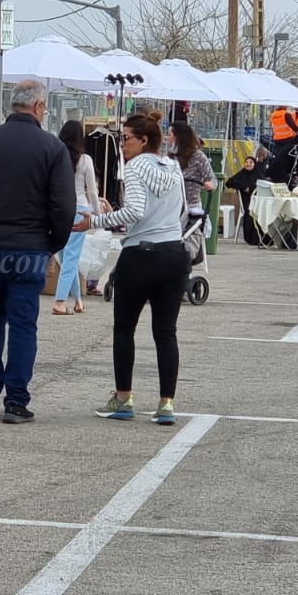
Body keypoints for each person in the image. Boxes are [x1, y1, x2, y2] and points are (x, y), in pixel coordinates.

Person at [0, 80, 74, 424]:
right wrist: (53, 243)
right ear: (37, 107)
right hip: (31, 247)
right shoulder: (52, 148)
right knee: (23, 325)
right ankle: (16, 401)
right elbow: (63, 206)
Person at [75, 114, 188, 426]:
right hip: (173, 251)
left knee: (125, 328)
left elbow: (135, 211)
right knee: (166, 331)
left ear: (144, 141)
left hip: (141, 253)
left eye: (125, 138)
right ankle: (166, 403)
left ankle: (124, 397)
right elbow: (182, 210)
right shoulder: (174, 167)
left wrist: (94, 221)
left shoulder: (136, 167)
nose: (121, 144)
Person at [51, 120, 101, 315]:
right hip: (79, 208)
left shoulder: (56, 157)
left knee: (65, 257)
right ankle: (59, 301)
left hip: (59, 210)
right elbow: (93, 191)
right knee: (71, 257)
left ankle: (78, 300)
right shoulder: (85, 160)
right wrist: (97, 213)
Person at [168, 121, 217, 234]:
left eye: (170, 135)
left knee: (191, 240)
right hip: (172, 205)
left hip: (191, 206)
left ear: (178, 137)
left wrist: (210, 184)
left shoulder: (198, 156)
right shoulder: (170, 156)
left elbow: (212, 179)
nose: (167, 138)